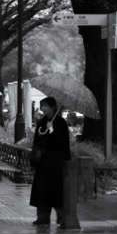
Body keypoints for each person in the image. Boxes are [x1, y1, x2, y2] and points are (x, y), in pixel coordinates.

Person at [29, 96, 71, 226]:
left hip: (56, 164)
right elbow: (37, 142)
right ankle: (42, 217)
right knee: (42, 191)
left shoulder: (60, 123)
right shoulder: (41, 123)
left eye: (46, 106)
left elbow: (63, 143)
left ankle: (62, 217)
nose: (43, 108)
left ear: (53, 107)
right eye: (42, 106)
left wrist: (52, 131)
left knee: (57, 191)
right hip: (43, 163)